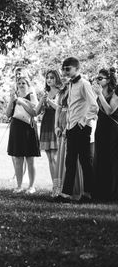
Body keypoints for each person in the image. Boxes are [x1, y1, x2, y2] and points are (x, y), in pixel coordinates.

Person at [54, 57, 98, 203]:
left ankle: (89, 194)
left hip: (82, 128)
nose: (65, 71)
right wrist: (67, 126)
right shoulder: (70, 85)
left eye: (68, 69)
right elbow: (72, 108)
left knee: (85, 161)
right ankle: (66, 194)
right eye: (64, 68)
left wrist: (83, 122)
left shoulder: (84, 84)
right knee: (70, 161)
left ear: (77, 69)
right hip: (71, 128)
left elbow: (94, 107)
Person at [6, 76, 40, 194]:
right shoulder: (15, 97)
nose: (21, 85)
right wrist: (12, 100)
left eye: (23, 83)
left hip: (28, 128)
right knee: (18, 158)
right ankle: (19, 185)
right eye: (19, 83)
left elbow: (34, 112)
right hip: (16, 128)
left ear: (28, 84)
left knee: (30, 158)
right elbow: (8, 114)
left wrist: (22, 102)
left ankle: (31, 186)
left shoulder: (31, 96)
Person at [91, 68, 118, 201]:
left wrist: (100, 95)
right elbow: (98, 111)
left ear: (108, 80)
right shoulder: (98, 94)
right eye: (97, 78)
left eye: (100, 78)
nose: (98, 80)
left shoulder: (114, 94)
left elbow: (109, 111)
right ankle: (100, 193)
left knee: (111, 159)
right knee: (99, 157)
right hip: (100, 128)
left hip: (112, 130)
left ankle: (112, 193)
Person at [35, 69, 62, 196]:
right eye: (47, 77)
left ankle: (60, 186)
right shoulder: (45, 93)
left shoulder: (61, 92)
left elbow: (61, 109)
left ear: (57, 78)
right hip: (46, 125)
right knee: (50, 158)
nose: (49, 80)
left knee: (56, 158)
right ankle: (54, 186)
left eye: (52, 77)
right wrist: (42, 100)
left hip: (56, 124)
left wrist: (50, 102)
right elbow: (36, 111)